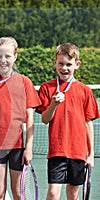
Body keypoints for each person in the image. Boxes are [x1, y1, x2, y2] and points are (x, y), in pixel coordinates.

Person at [35, 42, 99, 200]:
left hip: (78, 152)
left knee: (73, 193)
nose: (64, 68)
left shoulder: (85, 91)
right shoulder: (46, 88)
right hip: (57, 150)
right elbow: (44, 119)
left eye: (69, 64)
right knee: (53, 193)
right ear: (55, 63)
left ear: (77, 65)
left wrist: (90, 154)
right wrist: (54, 104)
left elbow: (87, 123)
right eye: (61, 63)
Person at [0, 37, 41, 200]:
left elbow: (30, 119)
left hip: (17, 148)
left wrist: (28, 148)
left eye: (7, 56)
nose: (3, 60)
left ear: (15, 56)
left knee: (19, 194)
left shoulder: (25, 82)